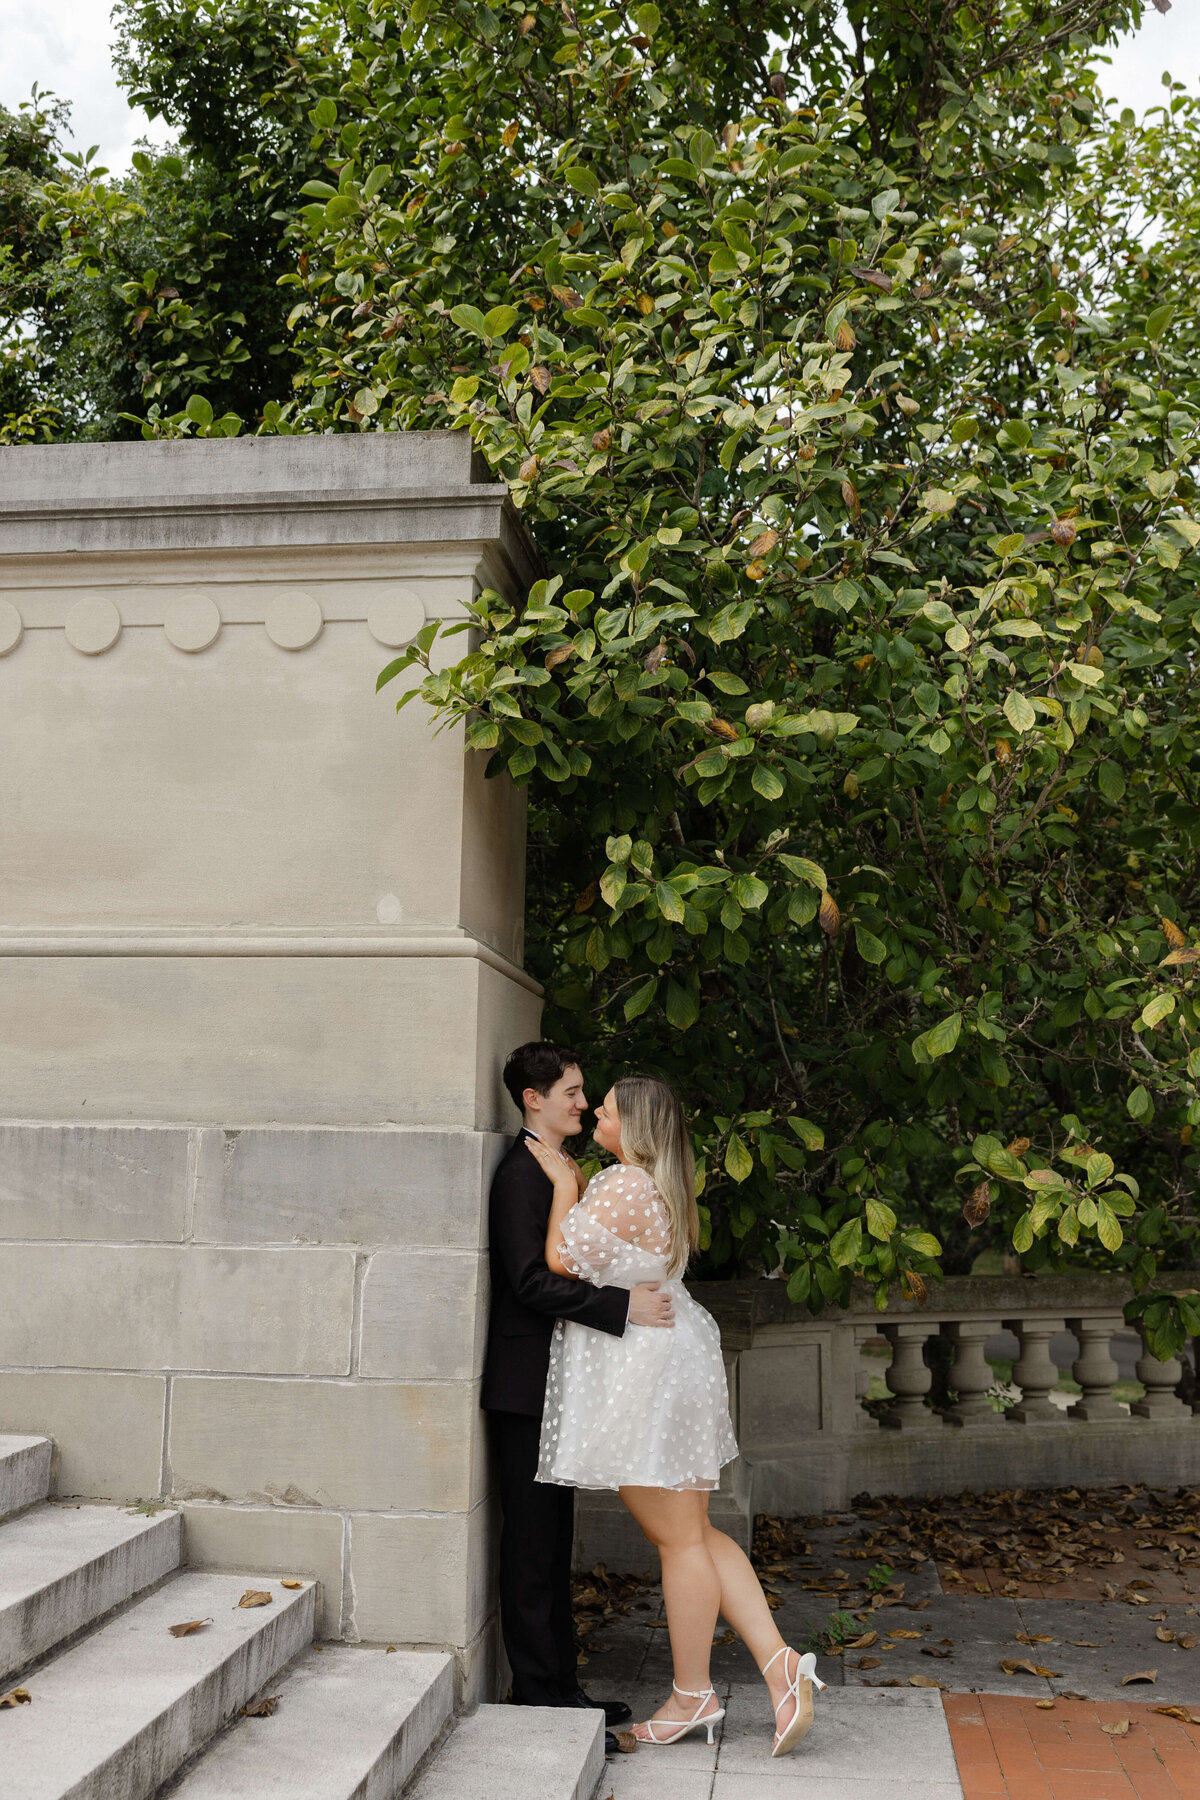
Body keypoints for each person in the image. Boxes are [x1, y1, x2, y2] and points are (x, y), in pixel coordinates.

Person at [525, 1073, 825, 1757]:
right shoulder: (658, 1185)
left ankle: (694, 1693)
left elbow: (560, 1260)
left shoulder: (621, 1184)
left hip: (650, 1374)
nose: (594, 1113)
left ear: (630, 1127)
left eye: (604, 1108)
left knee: (678, 1541)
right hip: (674, 1362)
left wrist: (565, 1186)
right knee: (695, 1532)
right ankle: (780, 1666)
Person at [481, 1041, 676, 1747]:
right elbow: (531, 1282)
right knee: (532, 1544)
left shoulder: (564, 1169)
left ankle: (562, 1686)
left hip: (558, 1385)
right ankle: (539, 1691)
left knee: (554, 1541)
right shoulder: (518, 1175)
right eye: (569, 1091)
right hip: (524, 1387)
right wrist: (622, 1310)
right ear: (533, 1098)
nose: (581, 1102)